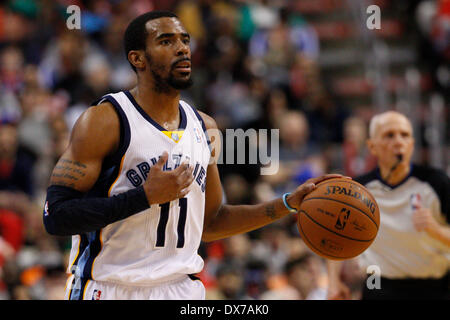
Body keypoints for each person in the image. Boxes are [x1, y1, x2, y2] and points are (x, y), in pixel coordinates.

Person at [42, 11, 342, 300]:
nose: (182, 49)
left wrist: (287, 204)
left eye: (185, 40)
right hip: (111, 287)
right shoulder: (105, 120)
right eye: (166, 41)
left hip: (181, 289)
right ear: (137, 58)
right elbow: (56, 217)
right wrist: (144, 197)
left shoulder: (205, 126)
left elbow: (211, 223)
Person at [327, 111, 450, 300]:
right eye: (389, 135)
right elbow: (335, 236)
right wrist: (334, 282)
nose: (398, 141)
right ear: (372, 146)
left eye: (405, 135)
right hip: (377, 283)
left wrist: (437, 230)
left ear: (412, 144)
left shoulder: (436, 182)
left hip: (433, 285)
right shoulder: (358, 189)